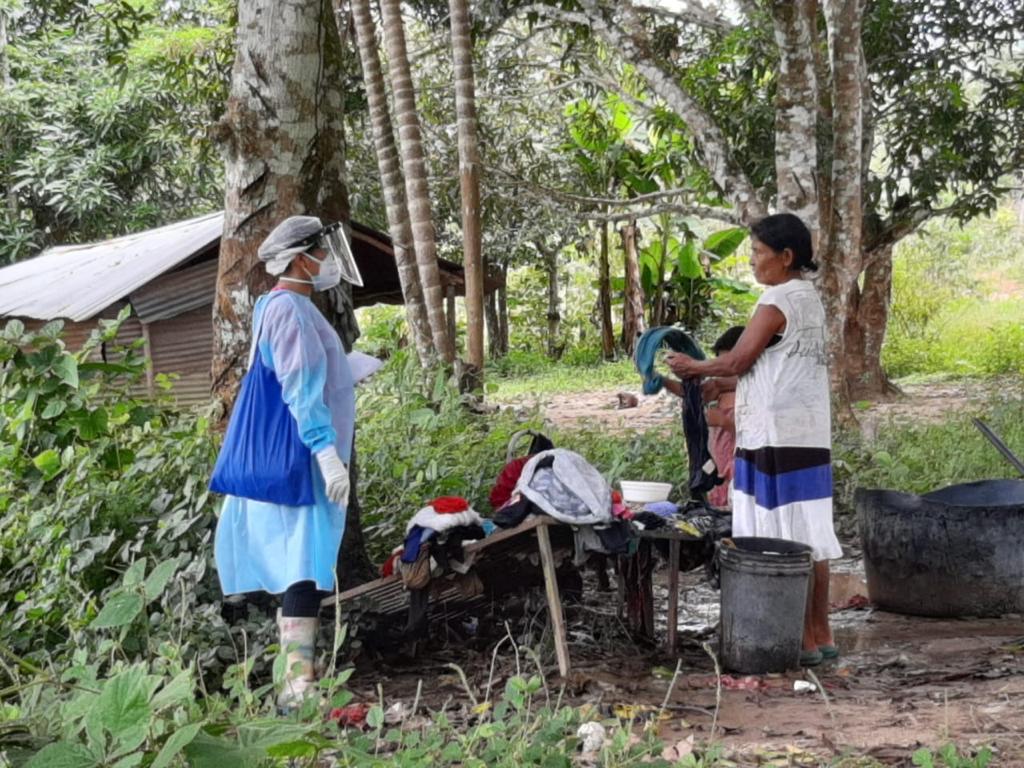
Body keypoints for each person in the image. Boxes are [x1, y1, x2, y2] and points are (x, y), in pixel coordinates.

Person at [665, 213, 842, 667]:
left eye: (759, 253)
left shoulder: (776, 298)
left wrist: (695, 367)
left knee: (779, 536)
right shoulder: (809, 300)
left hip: (773, 439)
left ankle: (792, 639)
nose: (752, 262)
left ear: (786, 257)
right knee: (810, 535)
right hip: (807, 433)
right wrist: (709, 385)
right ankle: (819, 636)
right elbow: (771, 368)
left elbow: (739, 361)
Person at [213, 215, 362, 708]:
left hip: (297, 457)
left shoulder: (278, 306)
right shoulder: (290, 311)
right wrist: (325, 453)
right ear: (301, 258)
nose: (328, 260)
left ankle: (296, 684)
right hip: (299, 460)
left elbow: (306, 374)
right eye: (321, 251)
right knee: (304, 567)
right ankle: (297, 690)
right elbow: (298, 388)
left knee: (304, 564)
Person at [705, 326, 743, 509]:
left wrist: (724, 422)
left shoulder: (749, 395)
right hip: (719, 471)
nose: (722, 374)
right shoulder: (718, 393)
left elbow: (753, 433)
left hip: (739, 471)